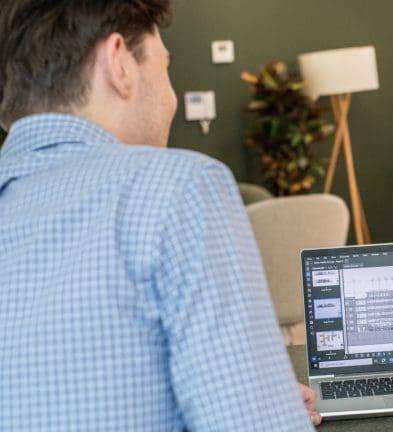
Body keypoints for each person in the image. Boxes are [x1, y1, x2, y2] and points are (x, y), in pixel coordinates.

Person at [0, 1, 320, 430]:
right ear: (118, 62)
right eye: (165, 66)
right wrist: (262, 408)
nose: (170, 96)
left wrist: (253, 392)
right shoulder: (179, 187)